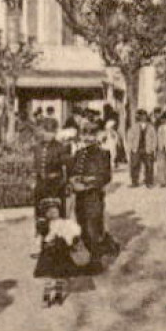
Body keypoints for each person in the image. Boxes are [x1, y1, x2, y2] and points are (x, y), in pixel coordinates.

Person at [68, 122, 117, 263]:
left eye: (91, 134)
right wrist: (73, 181)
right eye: (85, 134)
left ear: (97, 136)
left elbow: (105, 177)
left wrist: (89, 185)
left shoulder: (103, 154)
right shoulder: (78, 154)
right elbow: (73, 172)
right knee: (83, 227)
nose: (88, 138)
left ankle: (96, 260)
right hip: (80, 198)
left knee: (93, 228)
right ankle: (100, 249)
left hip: (94, 196)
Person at [34, 201, 89, 306]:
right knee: (49, 277)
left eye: (56, 210)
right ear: (46, 213)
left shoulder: (64, 223)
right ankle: (46, 298)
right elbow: (40, 239)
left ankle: (58, 296)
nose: (54, 212)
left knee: (59, 276)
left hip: (60, 253)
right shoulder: (45, 224)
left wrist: (71, 239)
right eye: (50, 211)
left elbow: (74, 233)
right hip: (49, 254)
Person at [32, 126, 73, 256]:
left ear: (55, 133)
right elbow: (35, 166)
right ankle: (41, 247)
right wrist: (34, 181)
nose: (47, 135)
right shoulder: (38, 147)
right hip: (41, 186)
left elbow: (68, 167)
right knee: (41, 217)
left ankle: (58, 248)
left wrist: (66, 184)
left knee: (56, 216)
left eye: (50, 132)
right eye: (45, 131)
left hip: (56, 186)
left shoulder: (60, 147)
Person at [128, 109, 156, 188]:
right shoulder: (134, 126)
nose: (143, 117)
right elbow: (130, 137)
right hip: (136, 149)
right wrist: (131, 148)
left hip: (148, 149)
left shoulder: (151, 127)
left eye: (145, 116)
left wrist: (152, 148)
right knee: (134, 165)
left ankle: (149, 182)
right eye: (141, 116)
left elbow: (154, 138)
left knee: (149, 166)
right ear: (139, 117)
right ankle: (134, 182)